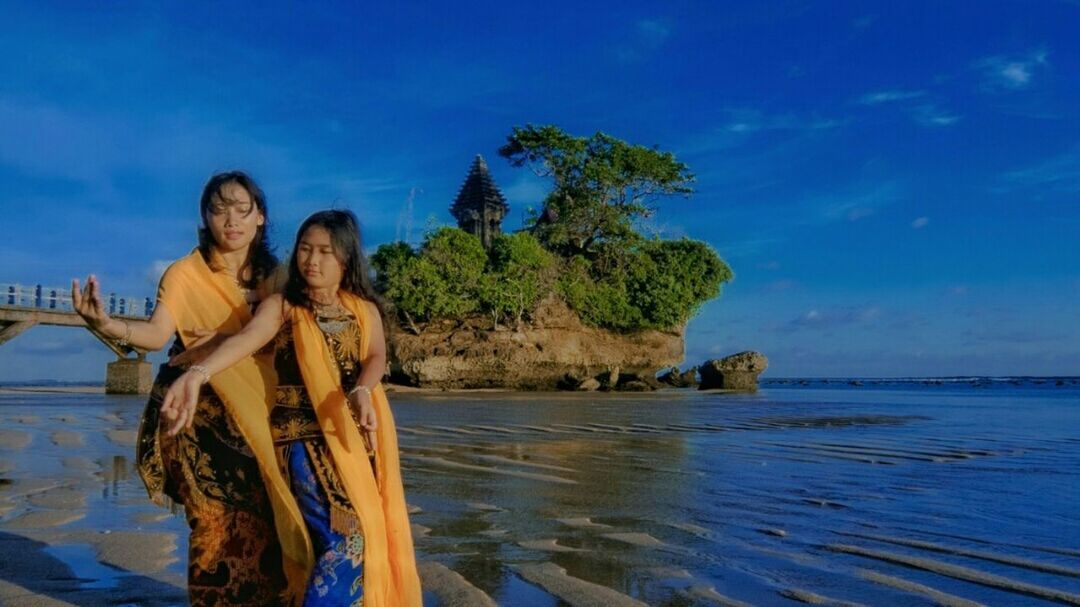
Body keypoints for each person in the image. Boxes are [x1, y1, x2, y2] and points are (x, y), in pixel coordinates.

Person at [72, 172, 311, 605]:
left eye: (242, 210)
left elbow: (290, 341)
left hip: (260, 414)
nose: (231, 220)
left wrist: (222, 339)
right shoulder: (185, 273)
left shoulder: (276, 279)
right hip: (197, 409)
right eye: (219, 210)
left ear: (261, 217)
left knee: (268, 514)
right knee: (214, 517)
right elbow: (158, 333)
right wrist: (106, 324)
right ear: (205, 217)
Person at [162, 209, 422, 607]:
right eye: (304, 249)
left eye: (324, 252)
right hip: (301, 440)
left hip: (356, 438)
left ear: (346, 259)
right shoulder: (283, 307)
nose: (311, 261)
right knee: (347, 540)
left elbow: (375, 356)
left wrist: (363, 392)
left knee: (366, 536)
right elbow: (247, 340)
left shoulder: (362, 309)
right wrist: (198, 374)